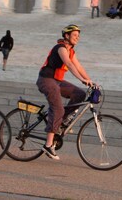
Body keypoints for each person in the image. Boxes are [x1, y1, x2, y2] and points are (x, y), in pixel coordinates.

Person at [37, 24, 95, 161]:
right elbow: (69, 64)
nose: (77, 38)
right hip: (46, 80)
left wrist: (90, 81)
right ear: (67, 36)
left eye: (78, 36)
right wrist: (81, 79)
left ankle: (61, 123)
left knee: (80, 94)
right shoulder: (61, 48)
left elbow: (78, 66)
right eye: (75, 35)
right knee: (57, 108)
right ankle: (48, 145)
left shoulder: (71, 51)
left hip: (57, 81)